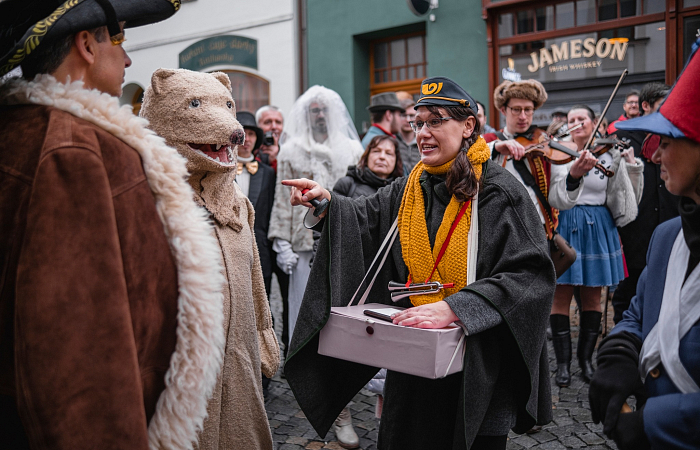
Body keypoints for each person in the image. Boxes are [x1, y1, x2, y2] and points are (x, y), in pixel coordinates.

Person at [283, 76, 555, 450]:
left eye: (436, 121)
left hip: (479, 363)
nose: (423, 133)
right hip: (414, 352)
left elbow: (530, 275)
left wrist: (457, 308)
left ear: (469, 126)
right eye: (418, 123)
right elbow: (366, 218)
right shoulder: (412, 185)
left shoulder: (499, 190)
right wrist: (326, 203)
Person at [0, 1, 227, 449]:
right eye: (119, 37)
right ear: (86, 44)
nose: (127, 59)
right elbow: (81, 352)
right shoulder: (74, 148)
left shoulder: (25, 130)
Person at [589, 36, 700, 450]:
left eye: (666, 143)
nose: (655, 156)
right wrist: (620, 350)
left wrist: (656, 423)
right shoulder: (668, 236)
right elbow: (642, 309)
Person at [547, 104, 643, 387]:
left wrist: (631, 166)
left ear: (594, 123)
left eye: (582, 118)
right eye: (572, 120)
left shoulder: (610, 154)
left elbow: (627, 196)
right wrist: (573, 173)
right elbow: (553, 194)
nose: (576, 123)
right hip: (565, 223)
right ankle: (562, 365)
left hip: (599, 226)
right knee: (560, 296)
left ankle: (586, 361)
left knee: (592, 297)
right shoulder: (558, 153)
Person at [268, 85, 363, 345]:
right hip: (302, 241)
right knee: (302, 301)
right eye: (314, 110)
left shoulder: (352, 149)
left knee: (339, 302)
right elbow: (282, 199)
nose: (320, 115)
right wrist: (281, 242)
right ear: (306, 115)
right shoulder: (291, 150)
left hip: (340, 236)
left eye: (324, 110)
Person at [612, 82, 678, 324]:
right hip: (637, 224)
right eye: (662, 105)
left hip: (670, 217)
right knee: (630, 287)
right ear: (645, 106)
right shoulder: (625, 138)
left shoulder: (674, 134)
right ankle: (625, 337)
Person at [483, 80, 558, 243]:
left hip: (538, 228)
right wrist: (496, 147)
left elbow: (560, 195)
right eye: (516, 109)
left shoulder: (544, 141)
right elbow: (469, 158)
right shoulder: (489, 140)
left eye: (528, 110)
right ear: (504, 110)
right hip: (501, 231)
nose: (523, 116)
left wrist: (574, 177)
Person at [334, 135, 404, 198]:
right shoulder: (348, 184)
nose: (382, 156)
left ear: (396, 160)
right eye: (376, 151)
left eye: (388, 153)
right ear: (367, 156)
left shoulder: (401, 191)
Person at [255, 105, 284, 169]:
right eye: (268, 122)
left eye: (278, 122)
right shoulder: (250, 147)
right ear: (257, 126)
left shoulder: (290, 149)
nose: (274, 127)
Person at [397, 98, 421, 173]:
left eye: (411, 115)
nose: (408, 120)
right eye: (404, 115)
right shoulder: (392, 141)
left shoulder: (423, 140)